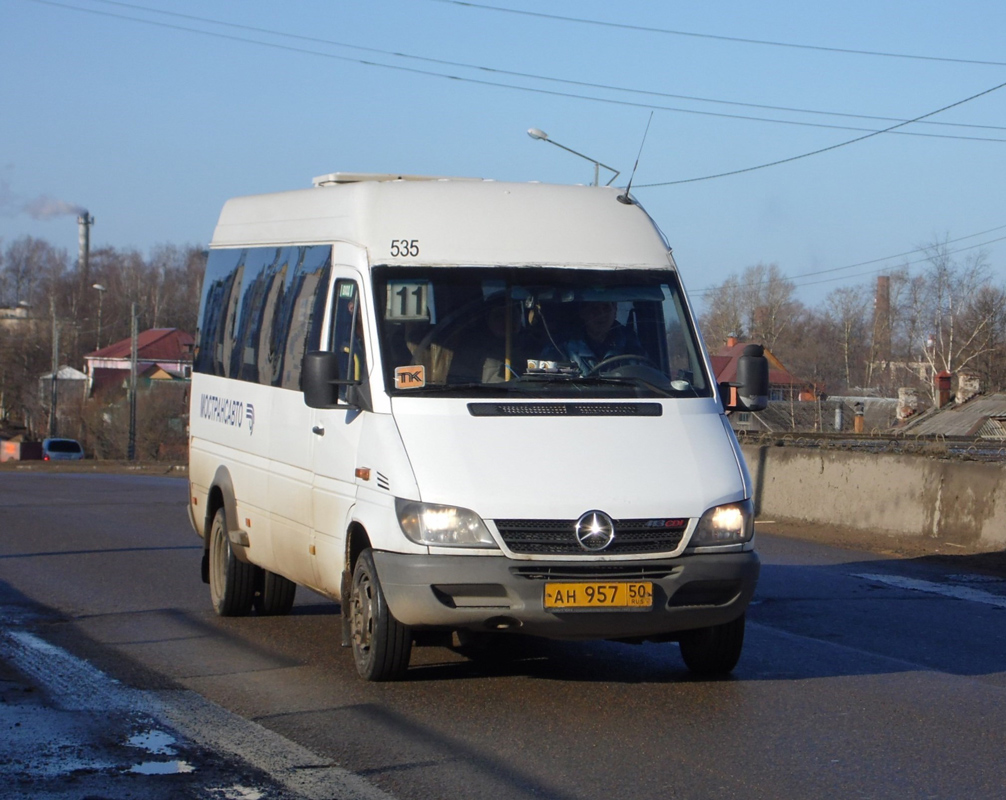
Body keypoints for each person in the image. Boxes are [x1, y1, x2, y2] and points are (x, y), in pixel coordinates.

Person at [544, 300, 644, 374]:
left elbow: (645, 376)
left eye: (606, 307)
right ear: (583, 313)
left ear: (615, 311)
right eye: (594, 308)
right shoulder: (561, 347)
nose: (600, 314)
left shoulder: (631, 345)